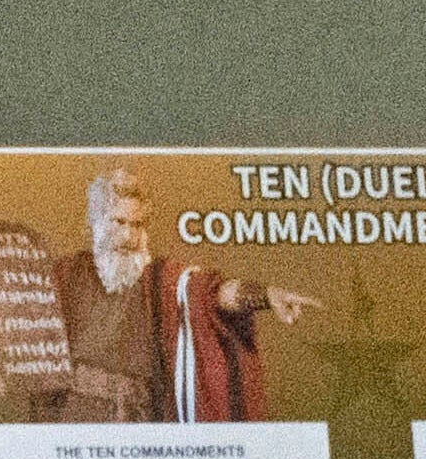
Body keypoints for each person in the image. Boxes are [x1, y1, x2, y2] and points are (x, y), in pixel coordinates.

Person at [56, 166, 322, 425]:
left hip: (141, 422)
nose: (129, 236)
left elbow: (212, 294)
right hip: (77, 418)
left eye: (137, 225)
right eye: (119, 222)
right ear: (97, 221)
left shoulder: (161, 279)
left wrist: (265, 295)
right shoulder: (66, 274)